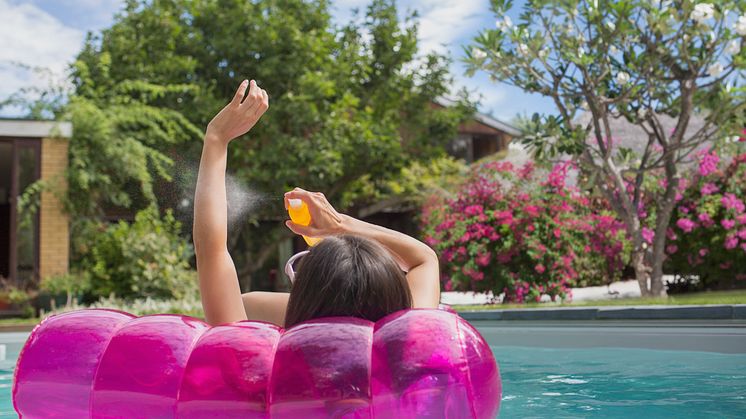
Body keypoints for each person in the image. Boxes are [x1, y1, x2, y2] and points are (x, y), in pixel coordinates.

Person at [194, 79, 440, 328]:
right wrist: (338, 224)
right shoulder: (410, 335)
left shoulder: (251, 352)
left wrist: (216, 138)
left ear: (303, 298)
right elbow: (424, 259)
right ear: (397, 299)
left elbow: (211, 249)